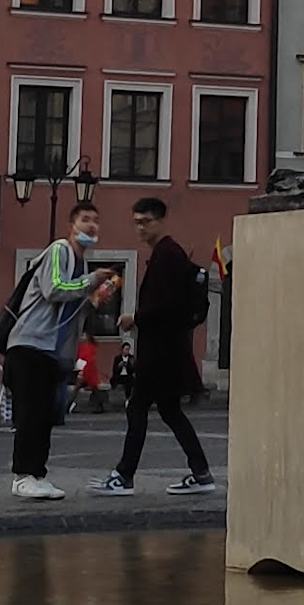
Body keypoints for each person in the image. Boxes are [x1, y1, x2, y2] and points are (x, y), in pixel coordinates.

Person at [98, 196, 215, 497]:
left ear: (161, 221)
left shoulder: (167, 254)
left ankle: (124, 476)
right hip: (166, 348)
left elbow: (169, 305)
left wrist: (133, 318)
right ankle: (201, 473)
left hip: (160, 351)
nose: (140, 228)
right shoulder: (166, 253)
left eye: (145, 222)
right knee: (170, 411)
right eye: (136, 222)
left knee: (137, 407)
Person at [0, 217, 100, 501]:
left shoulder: (79, 263)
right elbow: (54, 288)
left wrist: (91, 299)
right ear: (72, 225)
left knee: (43, 416)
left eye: (95, 220)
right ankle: (23, 477)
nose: (91, 225)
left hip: (50, 351)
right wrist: (91, 282)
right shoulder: (59, 250)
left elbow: (69, 310)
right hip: (30, 343)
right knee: (30, 414)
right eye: (85, 219)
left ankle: (36, 475)